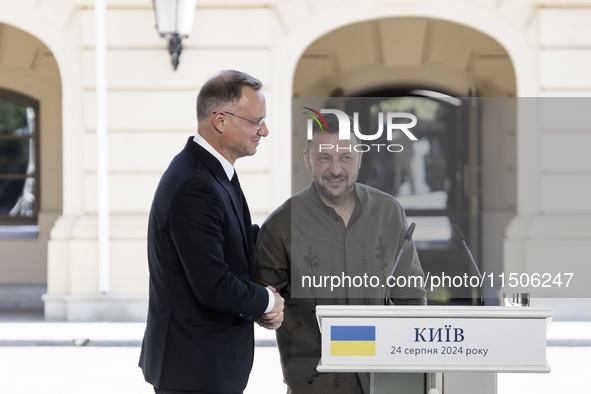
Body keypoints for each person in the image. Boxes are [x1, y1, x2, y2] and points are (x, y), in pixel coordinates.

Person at [255, 114, 426, 394]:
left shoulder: (389, 212)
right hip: (314, 384)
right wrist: (267, 312)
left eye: (345, 157)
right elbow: (262, 299)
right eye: (324, 158)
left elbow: (411, 298)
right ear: (308, 159)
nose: (335, 169)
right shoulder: (281, 224)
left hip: (384, 382)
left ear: (360, 157)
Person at [139, 70, 284, 394]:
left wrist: (293, 235)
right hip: (194, 370)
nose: (264, 130)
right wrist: (265, 301)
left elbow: (233, 242)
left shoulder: (214, 172)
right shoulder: (194, 184)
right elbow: (213, 284)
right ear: (221, 120)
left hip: (206, 366)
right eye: (255, 121)